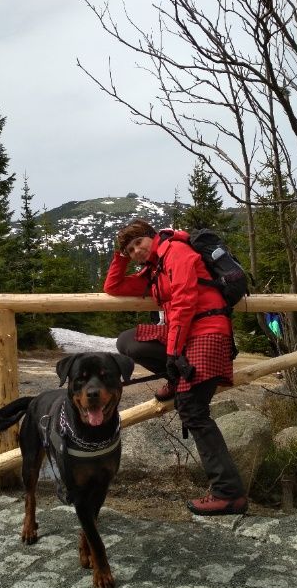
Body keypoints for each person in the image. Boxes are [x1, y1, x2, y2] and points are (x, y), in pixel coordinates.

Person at [104, 218, 247, 516]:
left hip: (208, 333)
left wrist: (173, 354)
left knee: (193, 410)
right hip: (187, 335)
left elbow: (184, 302)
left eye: (138, 244)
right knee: (128, 340)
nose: (136, 252)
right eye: (130, 250)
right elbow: (113, 286)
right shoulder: (154, 268)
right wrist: (119, 255)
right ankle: (176, 380)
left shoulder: (176, 253)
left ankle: (229, 493)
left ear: (152, 236)